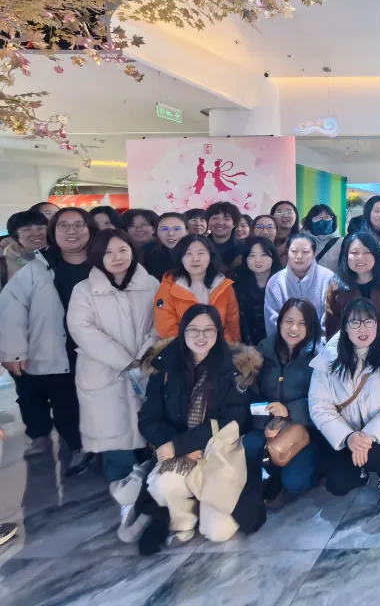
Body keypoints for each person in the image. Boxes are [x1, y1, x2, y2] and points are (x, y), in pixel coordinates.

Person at [139, 305, 265, 543]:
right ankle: (183, 515)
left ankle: (202, 504)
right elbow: (148, 418)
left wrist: (183, 445)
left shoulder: (234, 368)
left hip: (219, 451)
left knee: (218, 533)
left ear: (218, 332)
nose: (201, 336)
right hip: (178, 452)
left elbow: (233, 419)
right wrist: (175, 446)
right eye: (193, 330)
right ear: (183, 331)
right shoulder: (166, 366)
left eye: (209, 330)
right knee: (164, 484)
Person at [0, 207, 97, 473]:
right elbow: (12, 308)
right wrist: (13, 351)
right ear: (54, 232)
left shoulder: (102, 261)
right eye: (63, 225)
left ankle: (103, 445)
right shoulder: (37, 266)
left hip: (96, 347)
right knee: (65, 403)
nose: (71, 231)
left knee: (95, 400)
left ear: (89, 229)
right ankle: (77, 447)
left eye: (78, 225)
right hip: (56, 346)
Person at [66, 229, 159, 484]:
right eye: (108, 252)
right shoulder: (84, 290)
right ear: (97, 256)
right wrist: (124, 360)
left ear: (133, 252)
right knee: (113, 436)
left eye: (122, 250)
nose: (117, 257)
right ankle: (124, 490)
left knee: (147, 429)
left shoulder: (151, 284)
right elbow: (81, 329)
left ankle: (151, 488)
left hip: (145, 366)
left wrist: (143, 355)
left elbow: (160, 322)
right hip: (103, 372)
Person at [309, 297, 380, 504]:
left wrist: (367, 436)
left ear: (377, 324)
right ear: (345, 327)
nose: (362, 328)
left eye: (369, 321)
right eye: (355, 322)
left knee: (375, 455)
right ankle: (360, 470)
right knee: (338, 485)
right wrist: (348, 436)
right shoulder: (328, 359)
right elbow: (319, 406)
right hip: (345, 433)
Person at [245, 298, 321, 505]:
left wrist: (289, 411)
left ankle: (308, 467)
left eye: (302, 323)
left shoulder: (318, 357)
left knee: (295, 482)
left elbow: (324, 404)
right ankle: (271, 472)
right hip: (267, 428)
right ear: (279, 323)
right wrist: (267, 422)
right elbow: (252, 396)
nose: (294, 328)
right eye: (289, 321)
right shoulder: (262, 351)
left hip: (303, 430)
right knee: (248, 446)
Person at [325, 230, 380, 353]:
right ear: (346, 255)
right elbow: (332, 327)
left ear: (376, 254)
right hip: (351, 354)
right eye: (354, 253)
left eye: (367, 252)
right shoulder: (336, 286)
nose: (360, 258)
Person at [154, 234, 241, 342]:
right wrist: (194, 346)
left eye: (201, 253)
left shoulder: (224, 286)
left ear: (210, 257)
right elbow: (166, 328)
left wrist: (219, 345)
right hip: (180, 348)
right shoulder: (168, 286)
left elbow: (232, 324)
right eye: (188, 253)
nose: (195, 259)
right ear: (180, 258)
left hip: (219, 347)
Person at [264, 233, 335, 336]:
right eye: (294, 251)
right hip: (285, 341)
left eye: (305, 252)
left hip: (320, 341)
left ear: (314, 253)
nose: (299, 256)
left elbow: (330, 319)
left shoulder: (328, 277)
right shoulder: (275, 282)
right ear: (287, 252)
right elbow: (273, 322)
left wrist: (319, 343)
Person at [232, 237, 282, 346]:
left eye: (264, 254)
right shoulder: (237, 286)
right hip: (247, 347)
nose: (258, 260)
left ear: (273, 257)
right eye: (252, 255)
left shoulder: (283, 284)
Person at [3, 210, 48, 289]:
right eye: (27, 229)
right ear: (15, 234)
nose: (36, 233)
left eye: (40, 228)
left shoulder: (60, 255)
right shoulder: (4, 263)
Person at [143, 212, 187, 281]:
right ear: (157, 232)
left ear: (187, 231)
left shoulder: (198, 251)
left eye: (177, 229)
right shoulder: (149, 252)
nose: (170, 234)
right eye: (164, 229)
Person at [299, 204, 342, 271]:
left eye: (326, 217)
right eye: (317, 218)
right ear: (310, 221)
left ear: (333, 220)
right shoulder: (300, 242)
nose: (322, 220)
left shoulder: (342, 243)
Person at [206, 201, 243, 271]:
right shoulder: (200, 245)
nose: (220, 223)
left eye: (226, 219)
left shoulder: (244, 247)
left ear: (234, 224)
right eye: (215, 218)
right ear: (208, 222)